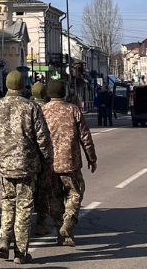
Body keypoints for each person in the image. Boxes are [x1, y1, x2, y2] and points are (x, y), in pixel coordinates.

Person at [0, 71, 53, 264]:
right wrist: (48, 161)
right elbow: (43, 138)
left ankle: (4, 238)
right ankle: (21, 252)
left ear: (6, 86)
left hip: (3, 165)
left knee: (7, 202)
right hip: (27, 165)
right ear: (22, 87)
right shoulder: (30, 107)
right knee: (24, 207)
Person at [42, 80, 97, 247]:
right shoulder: (73, 110)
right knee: (75, 193)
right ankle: (68, 224)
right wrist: (91, 158)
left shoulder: (42, 111)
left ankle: (63, 234)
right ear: (64, 92)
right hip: (70, 162)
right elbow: (85, 136)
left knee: (55, 198)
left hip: (49, 164)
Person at [28, 83, 53, 235]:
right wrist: (49, 159)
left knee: (27, 193)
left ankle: (21, 226)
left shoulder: (27, 107)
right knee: (43, 192)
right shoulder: (49, 108)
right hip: (43, 157)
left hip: (28, 158)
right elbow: (46, 137)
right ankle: (41, 224)